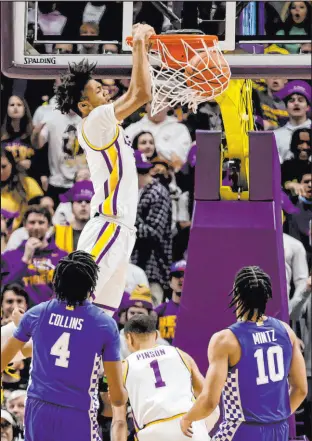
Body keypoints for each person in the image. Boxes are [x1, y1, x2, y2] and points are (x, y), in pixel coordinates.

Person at [54, 23, 154, 317]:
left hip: (121, 229)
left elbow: (138, 91)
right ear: (85, 104)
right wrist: (138, 45)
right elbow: (141, 95)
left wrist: (144, 51)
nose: (107, 91)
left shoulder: (105, 123)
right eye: (99, 90)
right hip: (109, 225)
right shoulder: (95, 120)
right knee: (71, 307)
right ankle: (20, 338)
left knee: (98, 318)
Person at [1, 250, 128, 441]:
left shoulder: (37, 313)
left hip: (38, 410)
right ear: (91, 285)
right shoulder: (104, 324)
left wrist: (22, 322)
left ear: (56, 281)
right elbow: (117, 397)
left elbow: (8, 358)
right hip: (77, 413)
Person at [180, 266, 308, 441]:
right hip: (279, 429)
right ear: (266, 295)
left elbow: (210, 401)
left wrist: (188, 418)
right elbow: (300, 389)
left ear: (236, 294)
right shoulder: (286, 332)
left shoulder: (226, 340)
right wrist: (274, 419)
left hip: (242, 429)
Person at [111, 314, 219, 441]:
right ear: (156, 335)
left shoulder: (122, 368)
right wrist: (201, 428)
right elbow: (208, 397)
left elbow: (119, 422)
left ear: (128, 338)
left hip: (153, 433)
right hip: (190, 429)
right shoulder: (181, 355)